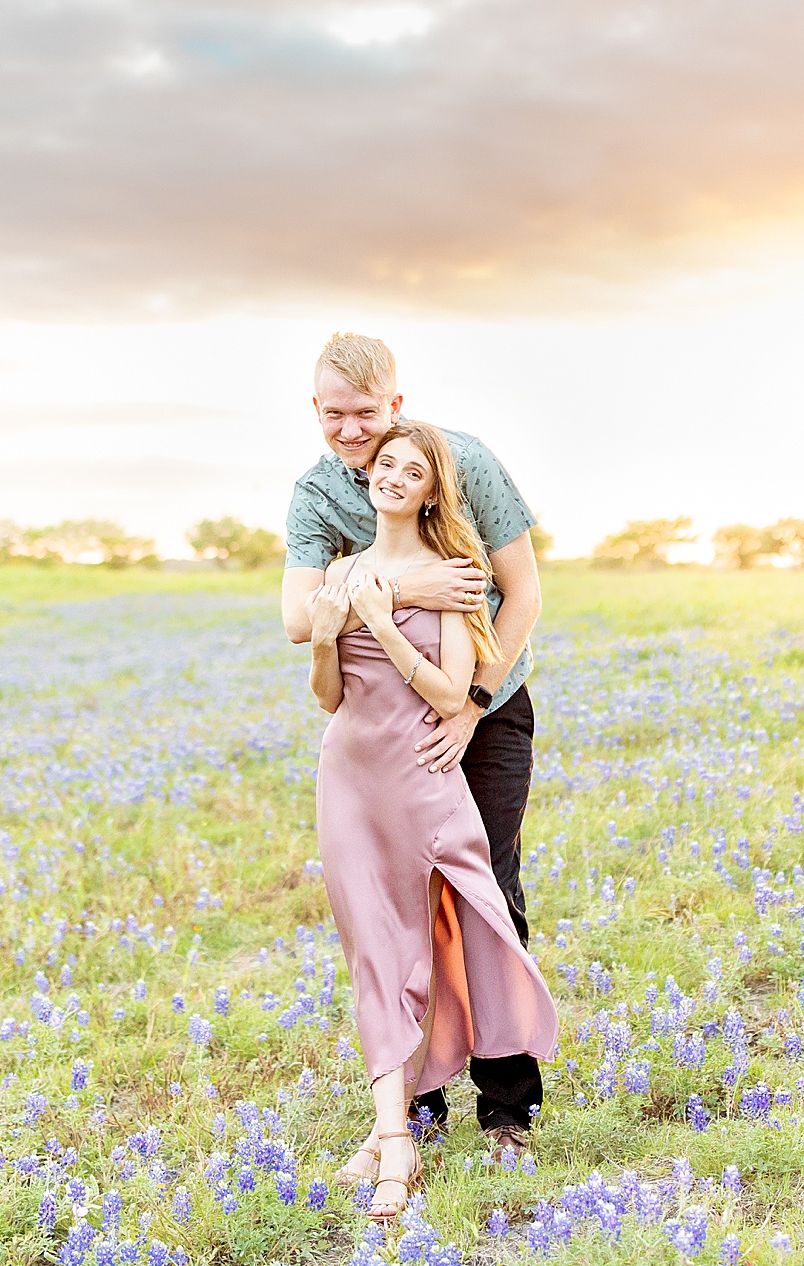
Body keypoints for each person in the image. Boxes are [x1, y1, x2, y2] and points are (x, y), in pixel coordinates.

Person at [282, 333, 547, 1154]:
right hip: (387, 726)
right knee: (397, 906)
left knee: (485, 889)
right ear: (316, 410)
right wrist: (402, 587)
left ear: (396, 403)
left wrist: (469, 702)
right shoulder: (318, 493)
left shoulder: (459, 459)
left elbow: (523, 590)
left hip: (485, 704)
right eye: (336, 415)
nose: (352, 432)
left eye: (367, 413)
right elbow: (299, 620)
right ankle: (415, 1104)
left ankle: (506, 1107)